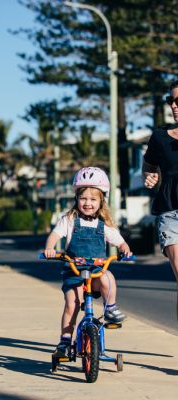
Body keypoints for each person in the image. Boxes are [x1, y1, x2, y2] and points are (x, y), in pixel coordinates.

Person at [43, 167, 132, 357]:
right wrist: (50, 248)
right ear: (77, 198)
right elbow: (54, 235)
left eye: (93, 199)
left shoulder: (103, 225)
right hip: (74, 272)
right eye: (83, 198)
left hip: (96, 272)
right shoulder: (69, 220)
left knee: (108, 278)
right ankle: (65, 341)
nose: (88, 203)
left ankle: (110, 309)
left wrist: (125, 249)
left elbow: (119, 241)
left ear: (101, 201)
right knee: (72, 304)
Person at [143, 79, 178, 319]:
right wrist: (150, 176)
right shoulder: (159, 137)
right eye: (171, 100)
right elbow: (148, 165)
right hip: (170, 214)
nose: (174, 105)